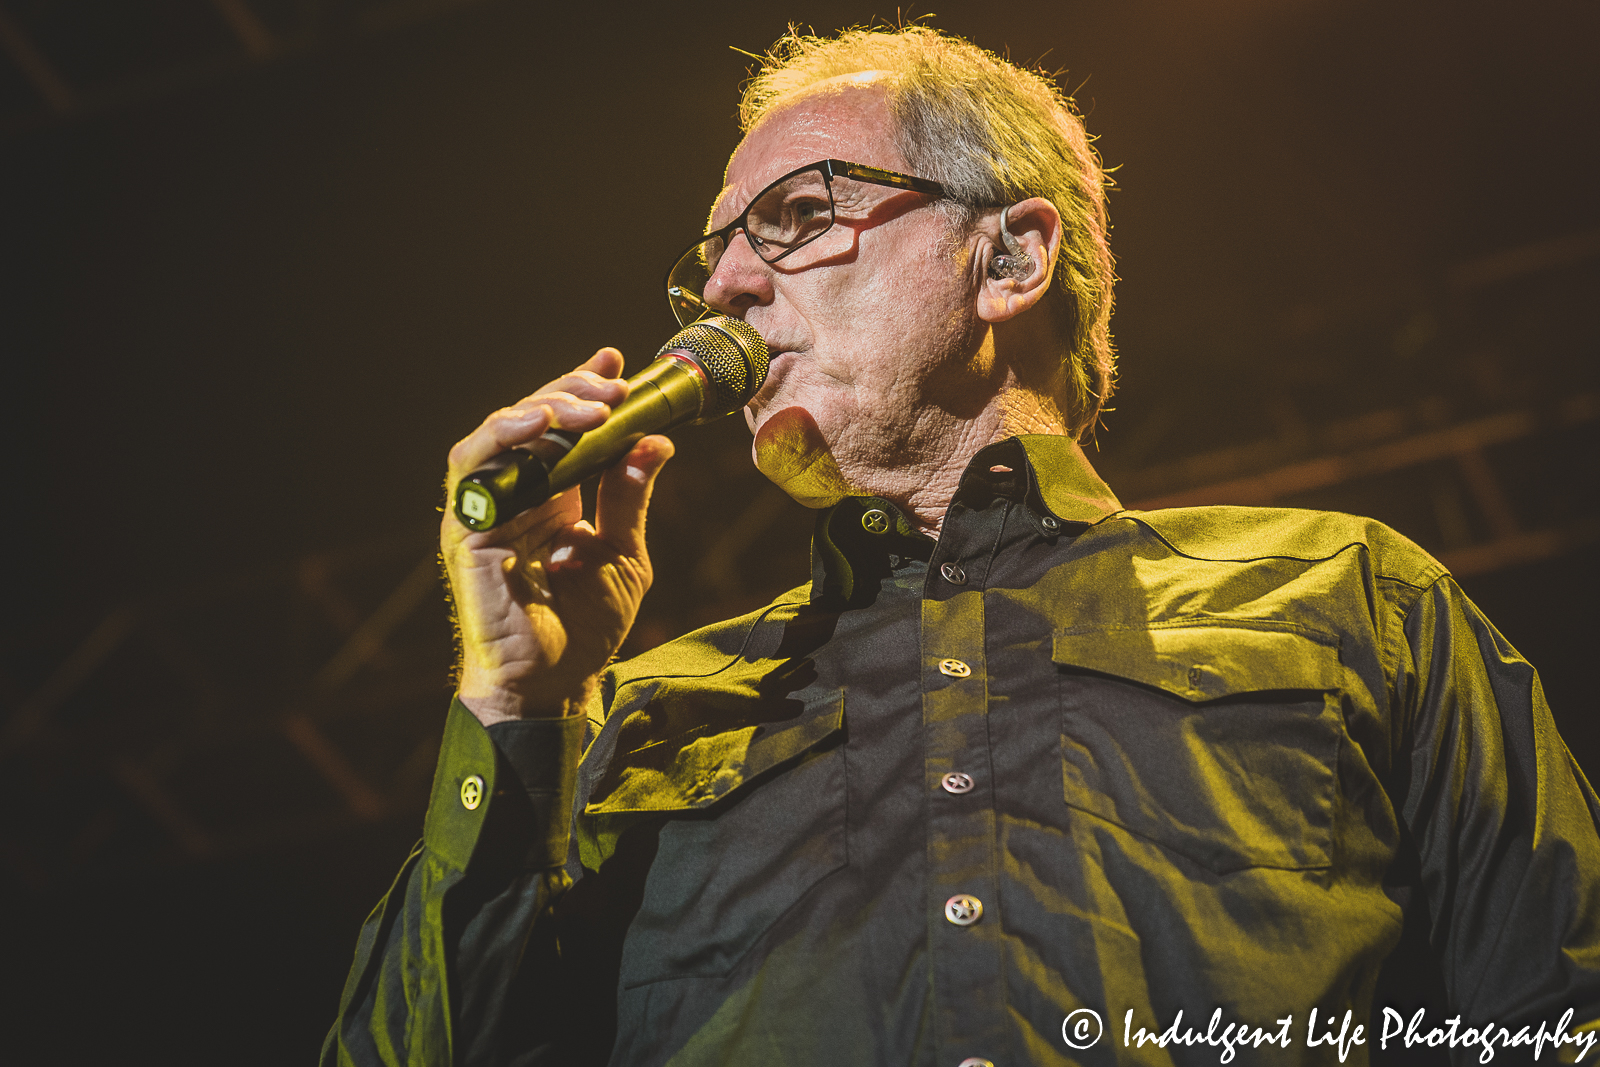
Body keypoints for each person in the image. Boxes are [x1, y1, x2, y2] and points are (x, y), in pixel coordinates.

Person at [323, 24, 1600, 1067]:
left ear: (1010, 255)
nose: (724, 290)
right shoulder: (643, 715)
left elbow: (1556, 1015)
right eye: (710, 258)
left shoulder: (1348, 602)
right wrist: (515, 701)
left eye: (793, 216)